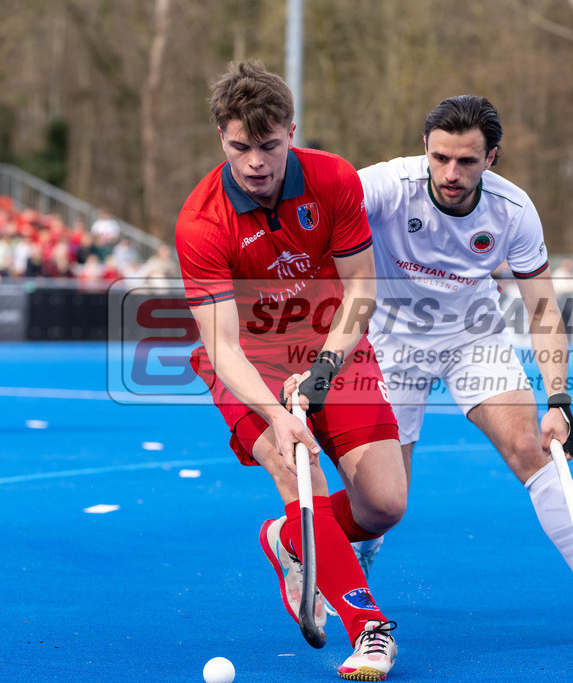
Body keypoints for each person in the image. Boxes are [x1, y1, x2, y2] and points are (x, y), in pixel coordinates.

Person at [356, 95, 573, 644]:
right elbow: (316, 211)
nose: (451, 173)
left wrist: (560, 401)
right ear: (425, 147)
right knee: (382, 500)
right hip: (389, 340)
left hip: (473, 335)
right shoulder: (383, 186)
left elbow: (542, 309)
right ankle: (354, 571)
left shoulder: (513, 209)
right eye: (441, 157)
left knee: (530, 448)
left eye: (466, 161)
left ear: (491, 157)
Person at [173, 59, 404, 680]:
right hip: (248, 357)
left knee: (383, 504)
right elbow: (221, 346)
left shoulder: (333, 180)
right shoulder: (201, 221)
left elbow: (362, 288)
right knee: (290, 465)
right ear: (221, 136)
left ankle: (293, 539)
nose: (254, 161)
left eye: (269, 145)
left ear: (291, 131)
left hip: (332, 341)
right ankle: (370, 628)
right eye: (239, 146)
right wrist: (277, 416)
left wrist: (327, 367)